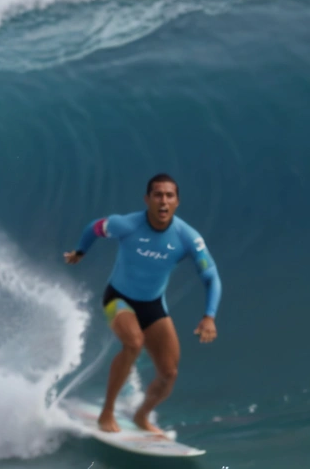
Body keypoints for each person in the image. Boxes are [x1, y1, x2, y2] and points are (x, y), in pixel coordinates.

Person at [63, 173, 222, 434]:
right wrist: (80, 251)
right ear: (147, 199)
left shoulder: (187, 238)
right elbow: (94, 228)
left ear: (177, 202)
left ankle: (141, 416)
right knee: (133, 342)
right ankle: (107, 413)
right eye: (157, 195)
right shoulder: (127, 225)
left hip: (153, 306)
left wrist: (209, 316)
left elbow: (211, 277)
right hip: (118, 299)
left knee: (169, 373)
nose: (163, 201)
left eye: (169, 195)